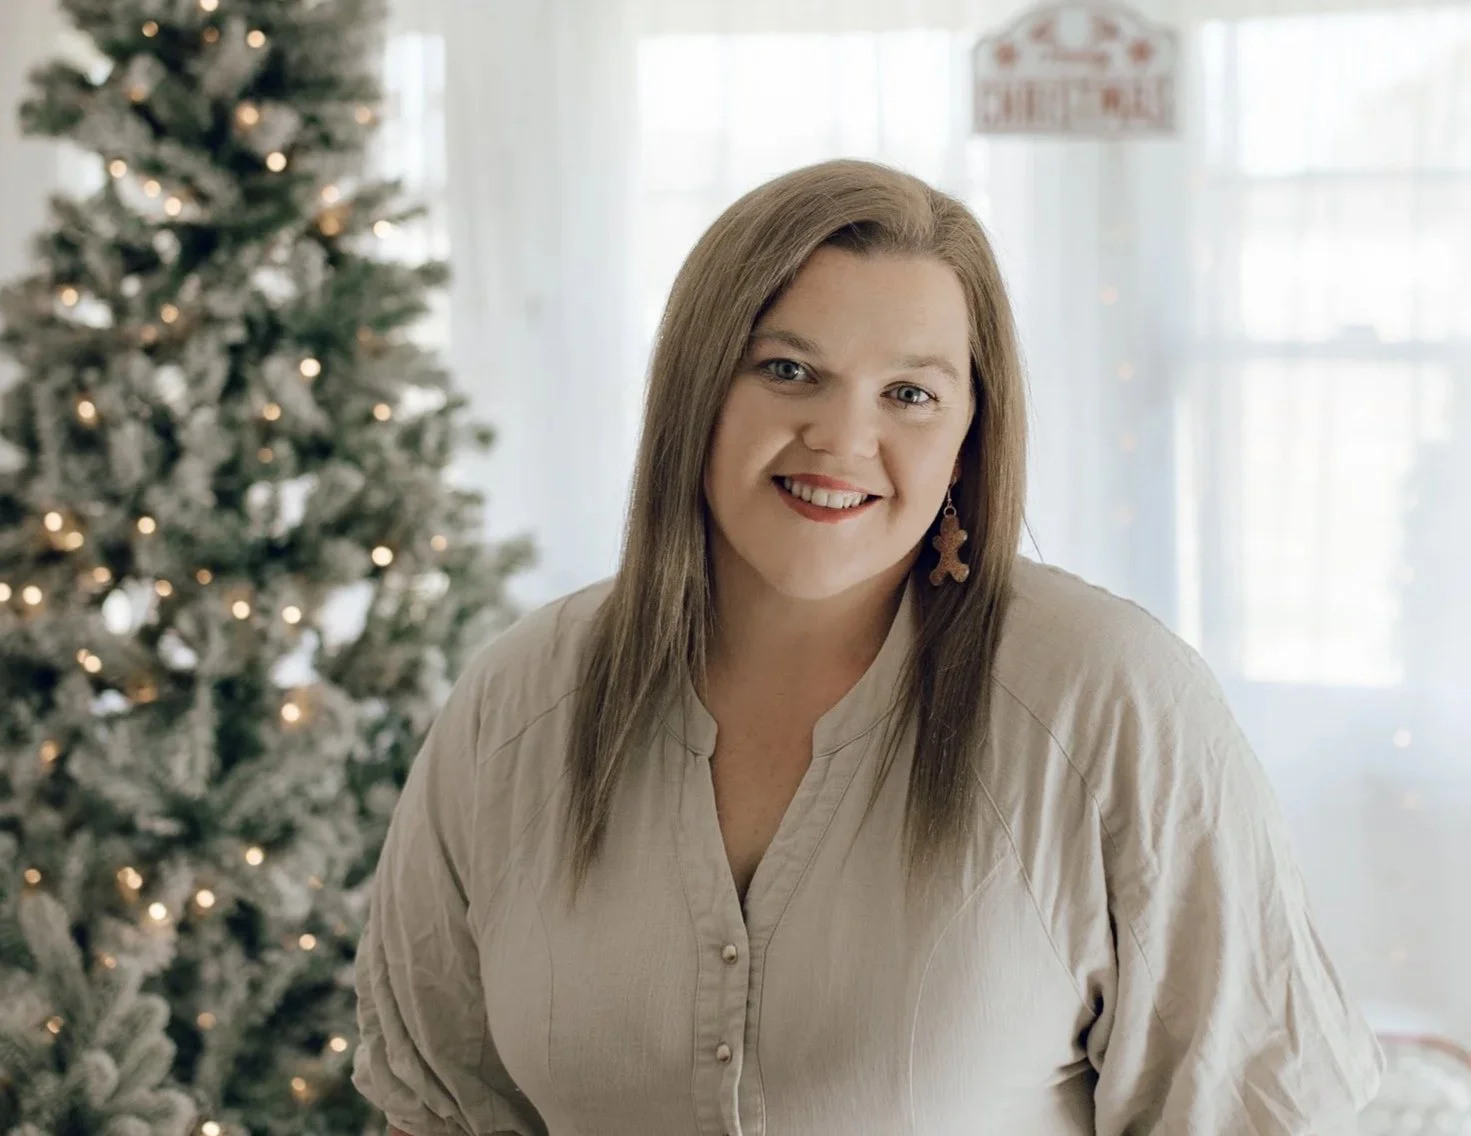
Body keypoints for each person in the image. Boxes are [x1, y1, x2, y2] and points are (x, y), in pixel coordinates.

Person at [351, 158, 1384, 1136]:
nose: (842, 440)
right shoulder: (515, 704)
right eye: (788, 370)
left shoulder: (1107, 699)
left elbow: (1252, 1106)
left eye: (908, 393)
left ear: (967, 435)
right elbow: (441, 1108)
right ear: (696, 388)